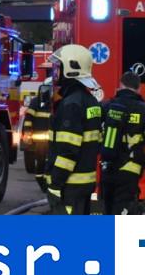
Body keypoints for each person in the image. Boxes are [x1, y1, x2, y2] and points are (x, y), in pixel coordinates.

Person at [44, 44, 102, 215]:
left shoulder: (72, 104)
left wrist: (55, 184)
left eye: (59, 67)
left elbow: (68, 150)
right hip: (84, 183)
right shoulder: (90, 101)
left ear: (71, 69)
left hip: (69, 185)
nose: (56, 73)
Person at [100, 71, 145, 215]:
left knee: (108, 208)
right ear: (139, 88)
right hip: (130, 167)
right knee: (124, 208)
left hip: (107, 165)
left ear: (120, 85)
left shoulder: (107, 106)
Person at [22, 79, 52, 176]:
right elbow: (28, 118)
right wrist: (27, 132)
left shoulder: (60, 103)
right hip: (39, 136)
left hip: (53, 137)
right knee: (40, 157)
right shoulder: (35, 102)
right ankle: (40, 173)